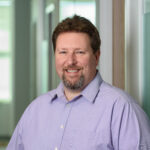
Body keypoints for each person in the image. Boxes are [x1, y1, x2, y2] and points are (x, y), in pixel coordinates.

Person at [7, 15, 150, 150]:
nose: (70, 61)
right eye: (63, 52)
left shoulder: (122, 109)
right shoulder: (35, 110)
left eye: (80, 52)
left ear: (96, 56)